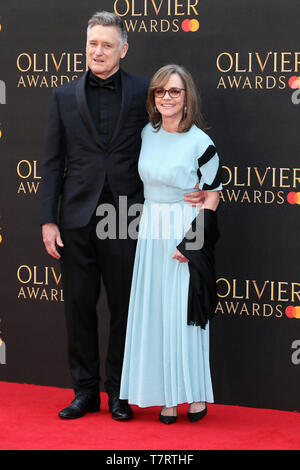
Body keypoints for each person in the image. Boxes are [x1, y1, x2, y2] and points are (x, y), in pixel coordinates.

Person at [40, 12, 204, 420]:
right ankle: (84, 391)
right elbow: (51, 163)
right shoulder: (62, 96)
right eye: (93, 43)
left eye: (107, 44)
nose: (98, 51)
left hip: (129, 217)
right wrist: (48, 219)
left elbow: (171, 137)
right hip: (76, 217)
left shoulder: (143, 92)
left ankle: (119, 392)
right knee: (78, 307)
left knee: (125, 309)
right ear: (86, 45)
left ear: (123, 49)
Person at [120, 64, 222, 424]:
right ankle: (166, 397)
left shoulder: (200, 142)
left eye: (174, 91)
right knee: (157, 316)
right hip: (151, 231)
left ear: (187, 96)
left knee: (183, 318)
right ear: (153, 97)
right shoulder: (148, 133)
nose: (166, 97)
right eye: (160, 91)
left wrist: (191, 244)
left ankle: (191, 395)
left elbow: (212, 197)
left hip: (183, 231)